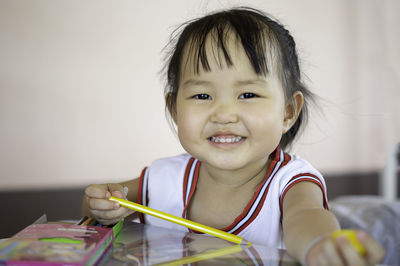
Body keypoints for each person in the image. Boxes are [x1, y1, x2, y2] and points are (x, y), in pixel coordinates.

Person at [82, 7, 384, 265]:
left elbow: (306, 218)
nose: (224, 114)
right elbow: (98, 206)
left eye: (248, 94)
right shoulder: (164, 179)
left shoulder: (291, 182)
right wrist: (104, 206)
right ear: (174, 109)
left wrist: (321, 245)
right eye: (202, 95)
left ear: (288, 112)